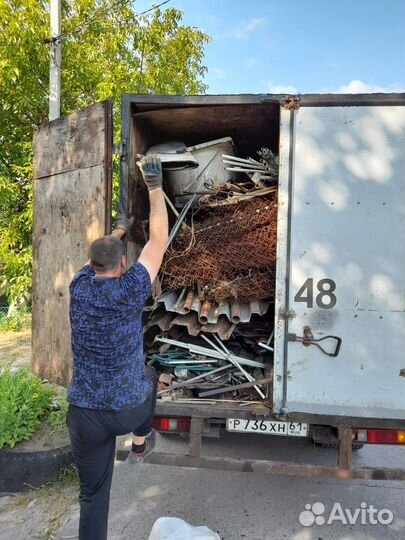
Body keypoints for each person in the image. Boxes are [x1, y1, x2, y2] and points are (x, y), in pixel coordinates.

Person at [66, 155, 168, 540]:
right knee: (149, 374)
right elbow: (159, 239)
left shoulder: (78, 287)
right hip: (126, 411)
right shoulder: (131, 290)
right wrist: (155, 185)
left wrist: (118, 232)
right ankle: (141, 442)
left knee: (92, 497)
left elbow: (96, 258)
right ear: (124, 265)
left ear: (92, 265)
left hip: (85, 416)